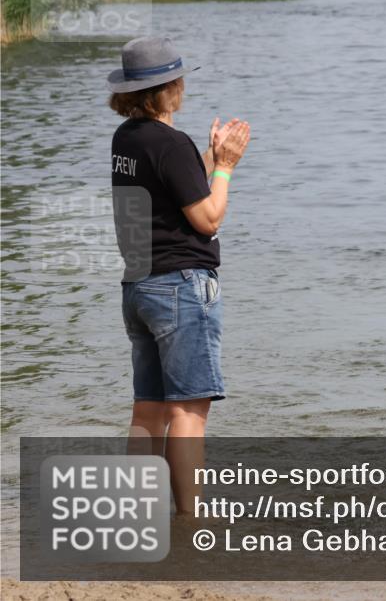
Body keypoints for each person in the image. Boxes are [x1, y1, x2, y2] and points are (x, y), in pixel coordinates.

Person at [107, 36, 251, 514]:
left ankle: (136, 510)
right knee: (188, 411)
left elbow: (169, 182)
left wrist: (207, 158)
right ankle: (190, 522)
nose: (183, 87)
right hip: (180, 286)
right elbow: (208, 218)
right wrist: (226, 168)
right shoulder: (170, 142)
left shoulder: (126, 138)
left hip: (139, 286)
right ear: (165, 89)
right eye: (178, 80)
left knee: (148, 408)